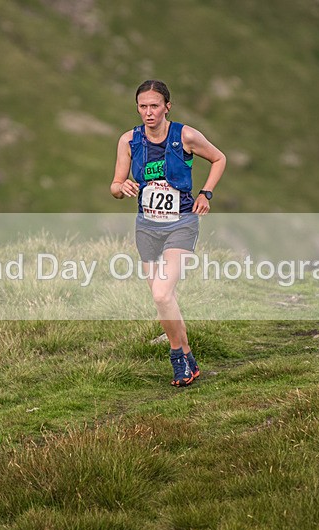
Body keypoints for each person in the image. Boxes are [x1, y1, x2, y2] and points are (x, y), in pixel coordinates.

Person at [110, 80, 226, 387]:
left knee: (162, 293)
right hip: (147, 227)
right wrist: (122, 188)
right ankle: (189, 357)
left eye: (154, 106)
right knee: (164, 298)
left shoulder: (185, 135)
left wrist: (206, 194)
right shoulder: (129, 140)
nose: (148, 112)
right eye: (143, 106)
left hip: (181, 223)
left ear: (167, 107)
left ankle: (176, 357)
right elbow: (115, 185)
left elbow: (219, 158)